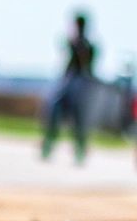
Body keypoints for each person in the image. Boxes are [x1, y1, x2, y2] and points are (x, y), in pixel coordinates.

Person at [41, 11, 97, 164]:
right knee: (54, 111)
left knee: (78, 120)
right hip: (66, 80)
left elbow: (89, 65)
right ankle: (47, 145)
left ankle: (79, 151)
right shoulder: (71, 41)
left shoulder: (89, 46)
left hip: (80, 82)